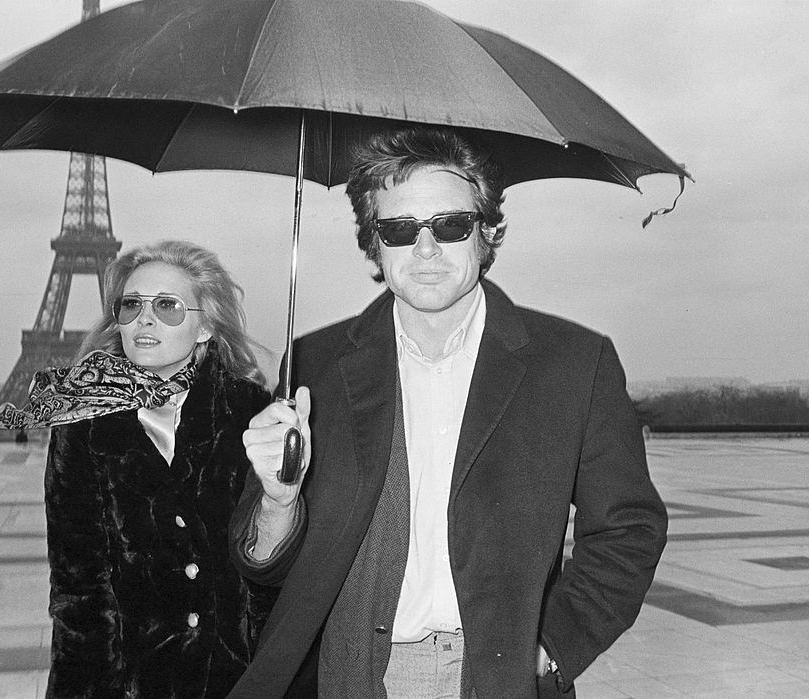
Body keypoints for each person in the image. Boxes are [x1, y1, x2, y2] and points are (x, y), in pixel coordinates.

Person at [230, 126, 668, 698]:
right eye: (400, 230)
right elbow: (261, 565)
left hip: (494, 677)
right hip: (348, 674)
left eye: (451, 225)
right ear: (373, 242)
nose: (427, 250)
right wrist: (276, 501)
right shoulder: (315, 363)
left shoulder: (573, 363)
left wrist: (552, 647)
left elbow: (629, 529)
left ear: (485, 232)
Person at [37, 240, 275, 697]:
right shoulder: (83, 426)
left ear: (204, 326)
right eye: (131, 305)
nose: (143, 319)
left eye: (166, 305)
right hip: (134, 680)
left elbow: (268, 571)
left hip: (235, 675)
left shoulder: (251, 413)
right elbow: (78, 590)